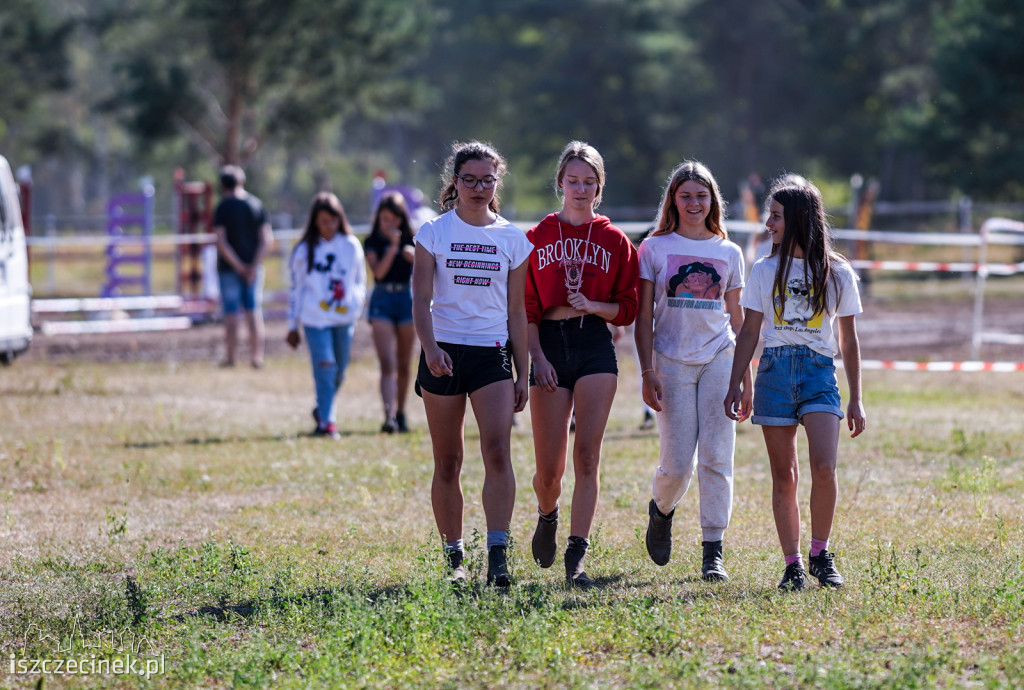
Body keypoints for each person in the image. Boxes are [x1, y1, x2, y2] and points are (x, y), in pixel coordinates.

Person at [724, 178, 866, 591]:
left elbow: (849, 339)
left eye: (776, 216)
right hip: (774, 371)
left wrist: (857, 398)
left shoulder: (838, 272)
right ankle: (793, 564)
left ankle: (821, 553)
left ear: (799, 219)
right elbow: (749, 332)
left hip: (820, 371)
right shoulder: (765, 270)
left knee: (824, 467)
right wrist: (737, 382)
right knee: (783, 474)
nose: (768, 223)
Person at [412, 141, 532, 587]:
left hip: (491, 354)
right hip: (442, 352)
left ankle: (498, 556)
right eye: (470, 179)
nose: (478, 188)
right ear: (455, 182)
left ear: (497, 182)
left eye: (487, 180)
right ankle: (454, 560)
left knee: (498, 451)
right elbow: (420, 300)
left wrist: (524, 372)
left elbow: (518, 312)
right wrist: (430, 349)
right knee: (448, 460)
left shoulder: (512, 239)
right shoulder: (432, 232)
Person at [525, 141, 638, 588]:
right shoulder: (537, 237)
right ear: (560, 183)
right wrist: (535, 357)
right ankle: (547, 512)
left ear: (599, 187)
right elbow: (526, 306)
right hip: (548, 344)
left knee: (587, 456)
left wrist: (595, 304)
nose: (580, 189)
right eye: (573, 180)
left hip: (593, 342)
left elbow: (628, 307)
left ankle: (577, 556)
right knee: (549, 470)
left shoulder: (615, 241)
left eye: (589, 182)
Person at [635, 160, 751, 582]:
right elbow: (643, 316)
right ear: (673, 200)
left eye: (701, 195)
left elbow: (738, 321)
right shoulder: (653, 248)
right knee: (677, 465)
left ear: (712, 200)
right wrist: (647, 371)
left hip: (720, 358)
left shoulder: (728, 252)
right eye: (685, 195)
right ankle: (661, 509)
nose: (693, 203)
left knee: (719, 458)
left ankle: (712, 550)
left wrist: (745, 379)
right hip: (670, 363)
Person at [285, 193, 367, 440]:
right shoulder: (304, 250)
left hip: (343, 318)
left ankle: (322, 408)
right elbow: (296, 288)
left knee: (339, 371)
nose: (328, 226)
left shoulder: (351, 245)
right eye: (323, 221)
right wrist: (292, 324)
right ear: (315, 222)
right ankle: (328, 422)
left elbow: (359, 281)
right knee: (325, 366)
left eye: (332, 221)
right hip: (315, 319)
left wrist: (355, 304)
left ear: (339, 219)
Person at [364, 192, 417, 434]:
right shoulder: (373, 242)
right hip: (382, 299)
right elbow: (379, 273)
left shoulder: (413, 239)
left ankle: (401, 412)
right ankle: (388, 415)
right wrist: (393, 248)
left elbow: (427, 268)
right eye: (385, 219)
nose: (390, 224)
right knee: (388, 362)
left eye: (395, 219)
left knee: (404, 363)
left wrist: (414, 256)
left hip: (406, 299)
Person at [213, 164, 274, 368]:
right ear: (242, 181)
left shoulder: (222, 207)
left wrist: (239, 267)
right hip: (253, 269)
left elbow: (221, 242)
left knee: (231, 314)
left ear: (222, 185)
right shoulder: (256, 205)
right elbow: (266, 239)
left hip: (229, 269)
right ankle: (257, 358)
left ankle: (231, 358)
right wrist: (252, 266)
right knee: (253, 311)